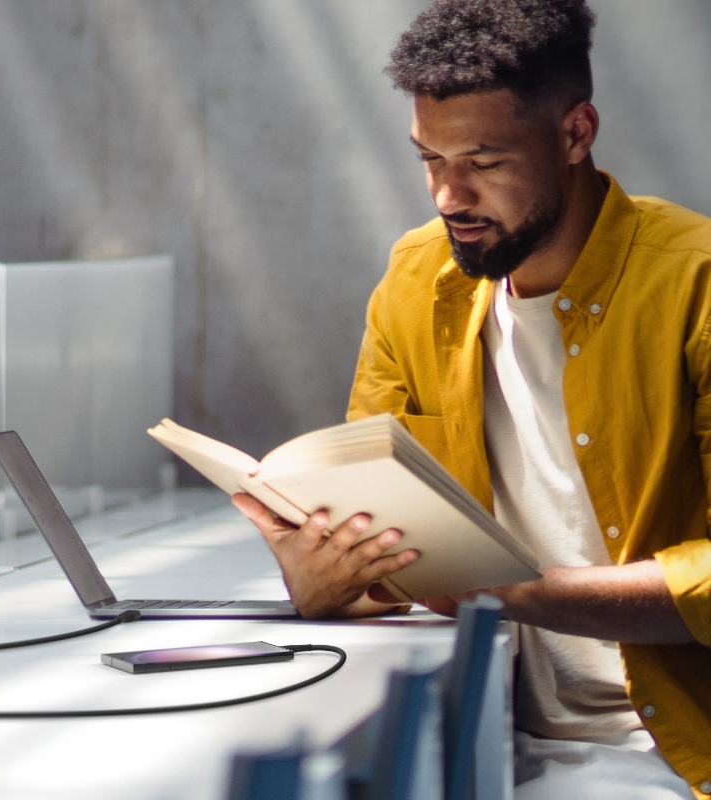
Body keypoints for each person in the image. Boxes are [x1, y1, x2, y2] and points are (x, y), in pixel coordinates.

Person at [232, 0, 711, 796]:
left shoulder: (694, 284)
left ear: (574, 134)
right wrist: (327, 583)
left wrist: (520, 591)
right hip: (478, 730)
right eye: (429, 159)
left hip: (670, 751)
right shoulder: (417, 281)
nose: (447, 196)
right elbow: (385, 544)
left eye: (483, 162)